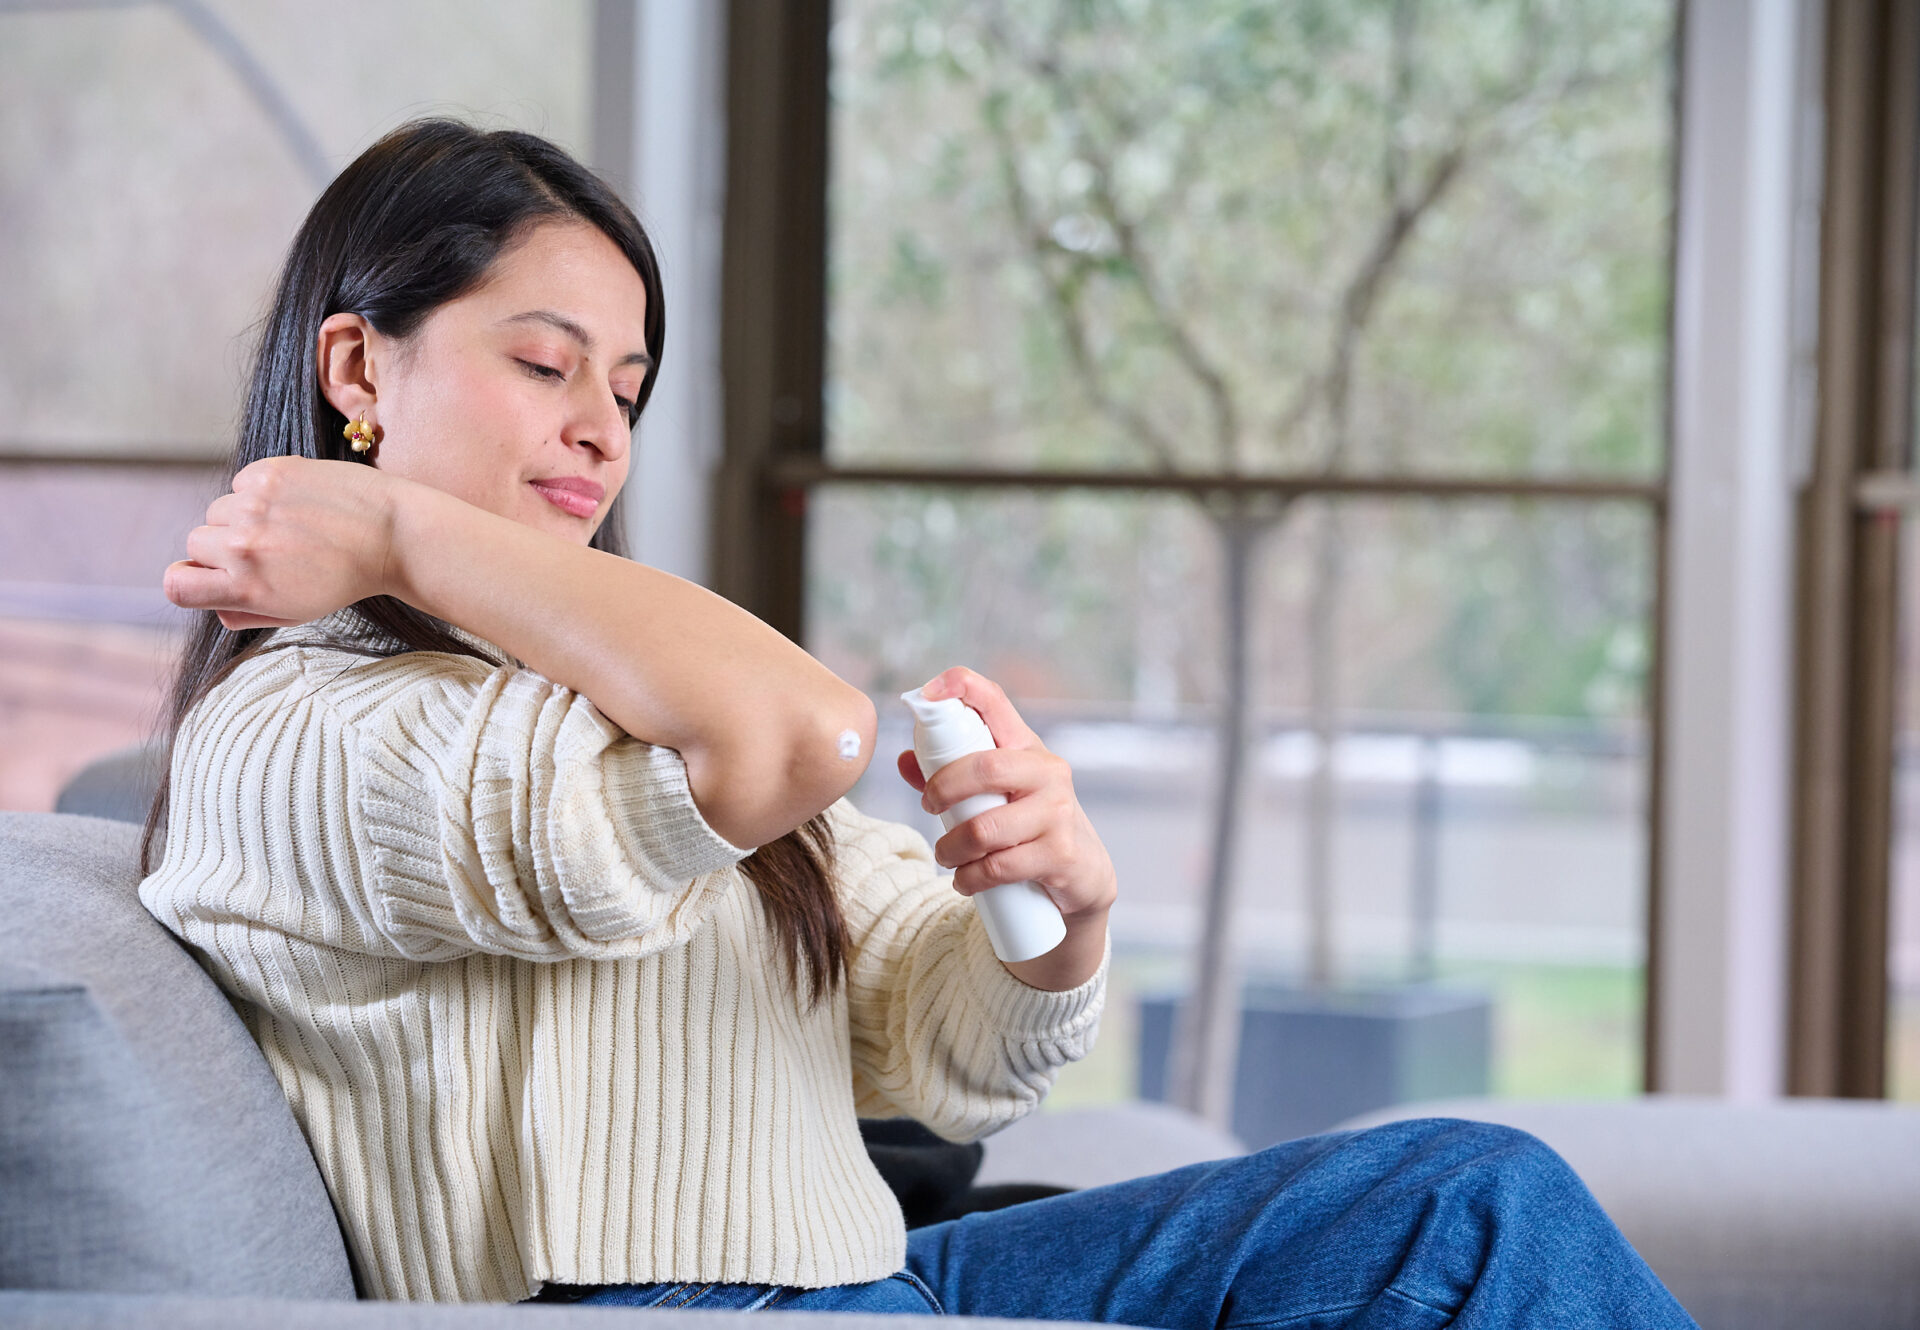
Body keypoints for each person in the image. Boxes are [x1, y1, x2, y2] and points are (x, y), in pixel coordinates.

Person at [138, 119, 1696, 1327]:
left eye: (627, 383)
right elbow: (795, 737)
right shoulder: (288, 733)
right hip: (668, 1311)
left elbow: (944, 1052)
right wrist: (401, 536)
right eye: (544, 364)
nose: (601, 425)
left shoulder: (606, 689)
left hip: (870, 1277)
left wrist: (1055, 916)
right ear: (357, 364)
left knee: (1462, 1202)